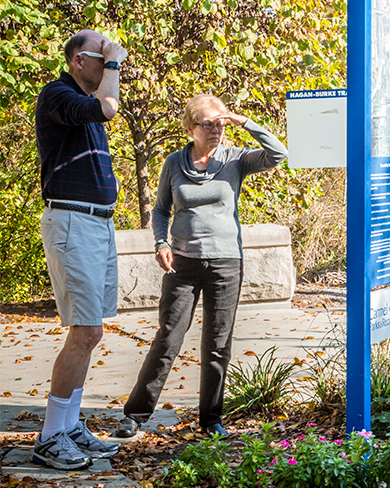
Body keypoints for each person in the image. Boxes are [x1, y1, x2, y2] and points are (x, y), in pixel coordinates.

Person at [115, 94, 288, 438]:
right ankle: (135, 414)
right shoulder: (173, 164)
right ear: (190, 127)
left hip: (226, 263)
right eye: (207, 124)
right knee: (168, 337)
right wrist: (161, 244)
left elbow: (278, 154)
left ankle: (211, 420)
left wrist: (243, 121)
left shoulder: (235, 160)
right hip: (183, 264)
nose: (216, 130)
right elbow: (161, 210)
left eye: (220, 123)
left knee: (218, 343)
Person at [33, 30, 128, 469]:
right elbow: (107, 107)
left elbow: (101, 109)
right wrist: (113, 64)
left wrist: (106, 63)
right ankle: (51, 436)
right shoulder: (58, 93)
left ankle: (69, 426)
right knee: (85, 331)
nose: (111, 60)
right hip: (72, 220)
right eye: (101, 54)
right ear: (77, 61)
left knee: (93, 331)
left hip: (96, 222)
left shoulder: (81, 106)